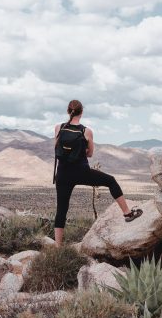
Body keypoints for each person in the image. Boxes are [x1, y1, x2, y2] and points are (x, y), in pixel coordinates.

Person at [53, 99, 143, 246]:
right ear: (81, 112)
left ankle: (58, 247)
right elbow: (89, 154)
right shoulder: (86, 131)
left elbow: (57, 149)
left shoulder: (58, 128)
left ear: (68, 111)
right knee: (111, 181)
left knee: (61, 210)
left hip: (63, 173)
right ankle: (127, 213)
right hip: (81, 172)